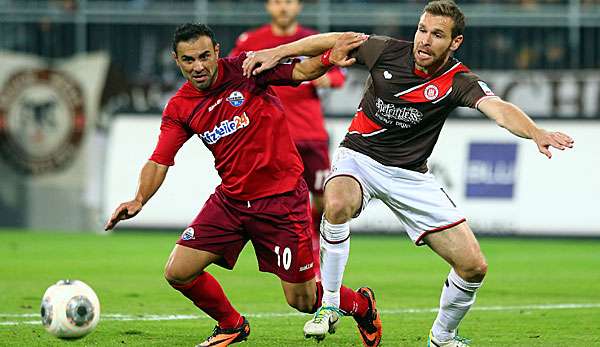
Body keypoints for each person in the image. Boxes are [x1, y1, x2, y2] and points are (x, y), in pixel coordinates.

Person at [242, 1, 574, 346]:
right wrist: (277, 52)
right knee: (336, 202)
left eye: (437, 35)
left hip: (410, 177)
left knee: (473, 266)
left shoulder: (457, 80)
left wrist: (536, 132)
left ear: (455, 43)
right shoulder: (386, 51)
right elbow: (333, 39)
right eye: (422, 30)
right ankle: (329, 305)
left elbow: (500, 110)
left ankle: (443, 337)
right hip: (359, 158)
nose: (425, 41)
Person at [104, 24, 381, 347]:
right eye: (189, 59)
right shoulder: (180, 107)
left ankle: (362, 305)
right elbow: (159, 159)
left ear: (218, 52)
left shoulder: (247, 69)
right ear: (176, 61)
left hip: (281, 201)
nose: (198, 66)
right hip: (232, 201)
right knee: (178, 271)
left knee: (302, 301)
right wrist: (139, 198)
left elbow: (301, 71)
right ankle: (231, 325)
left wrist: (330, 57)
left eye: (205, 56)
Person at [229, 0, 346, 279]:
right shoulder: (251, 40)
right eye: (278, 2)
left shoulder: (311, 40)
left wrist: (329, 80)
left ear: (299, 6)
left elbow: (339, 73)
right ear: (269, 6)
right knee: (285, 201)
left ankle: (316, 249)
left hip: (311, 135)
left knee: (322, 202)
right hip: (272, 138)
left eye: (289, 1)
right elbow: (233, 74)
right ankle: (305, 259)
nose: (283, 7)